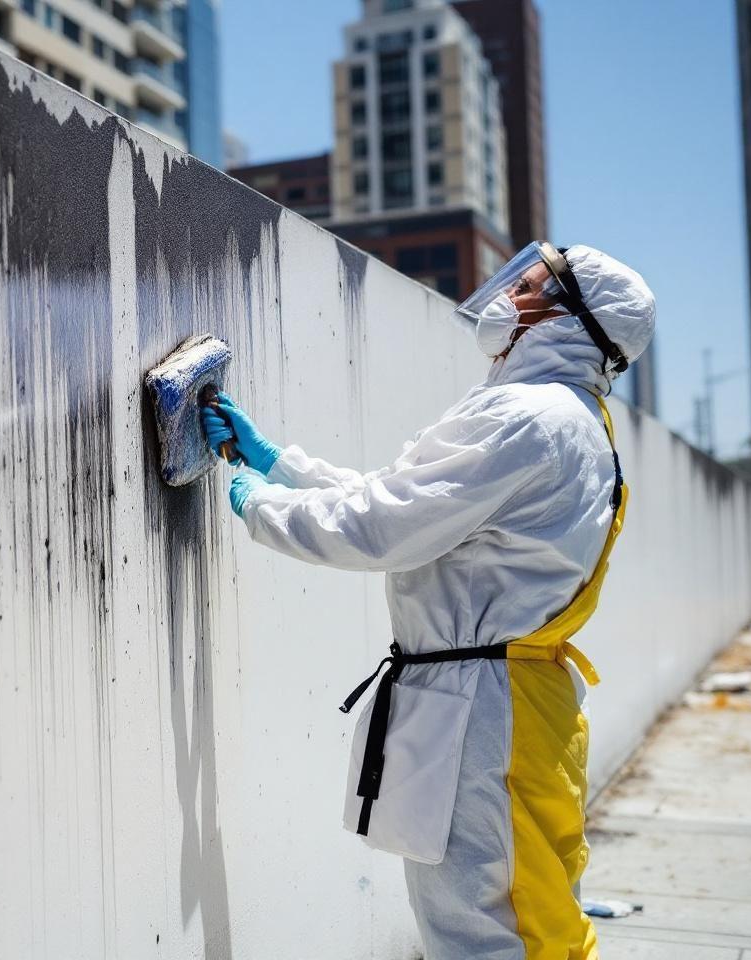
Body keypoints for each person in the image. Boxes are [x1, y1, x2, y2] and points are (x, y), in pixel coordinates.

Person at [202, 243, 655, 960]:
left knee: (492, 931)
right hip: (482, 697)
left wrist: (263, 507)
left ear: (565, 315)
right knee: (501, 913)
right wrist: (280, 466)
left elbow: (385, 528)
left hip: (484, 712)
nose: (509, 294)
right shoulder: (564, 416)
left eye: (529, 284)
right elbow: (410, 501)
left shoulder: (530, 415)